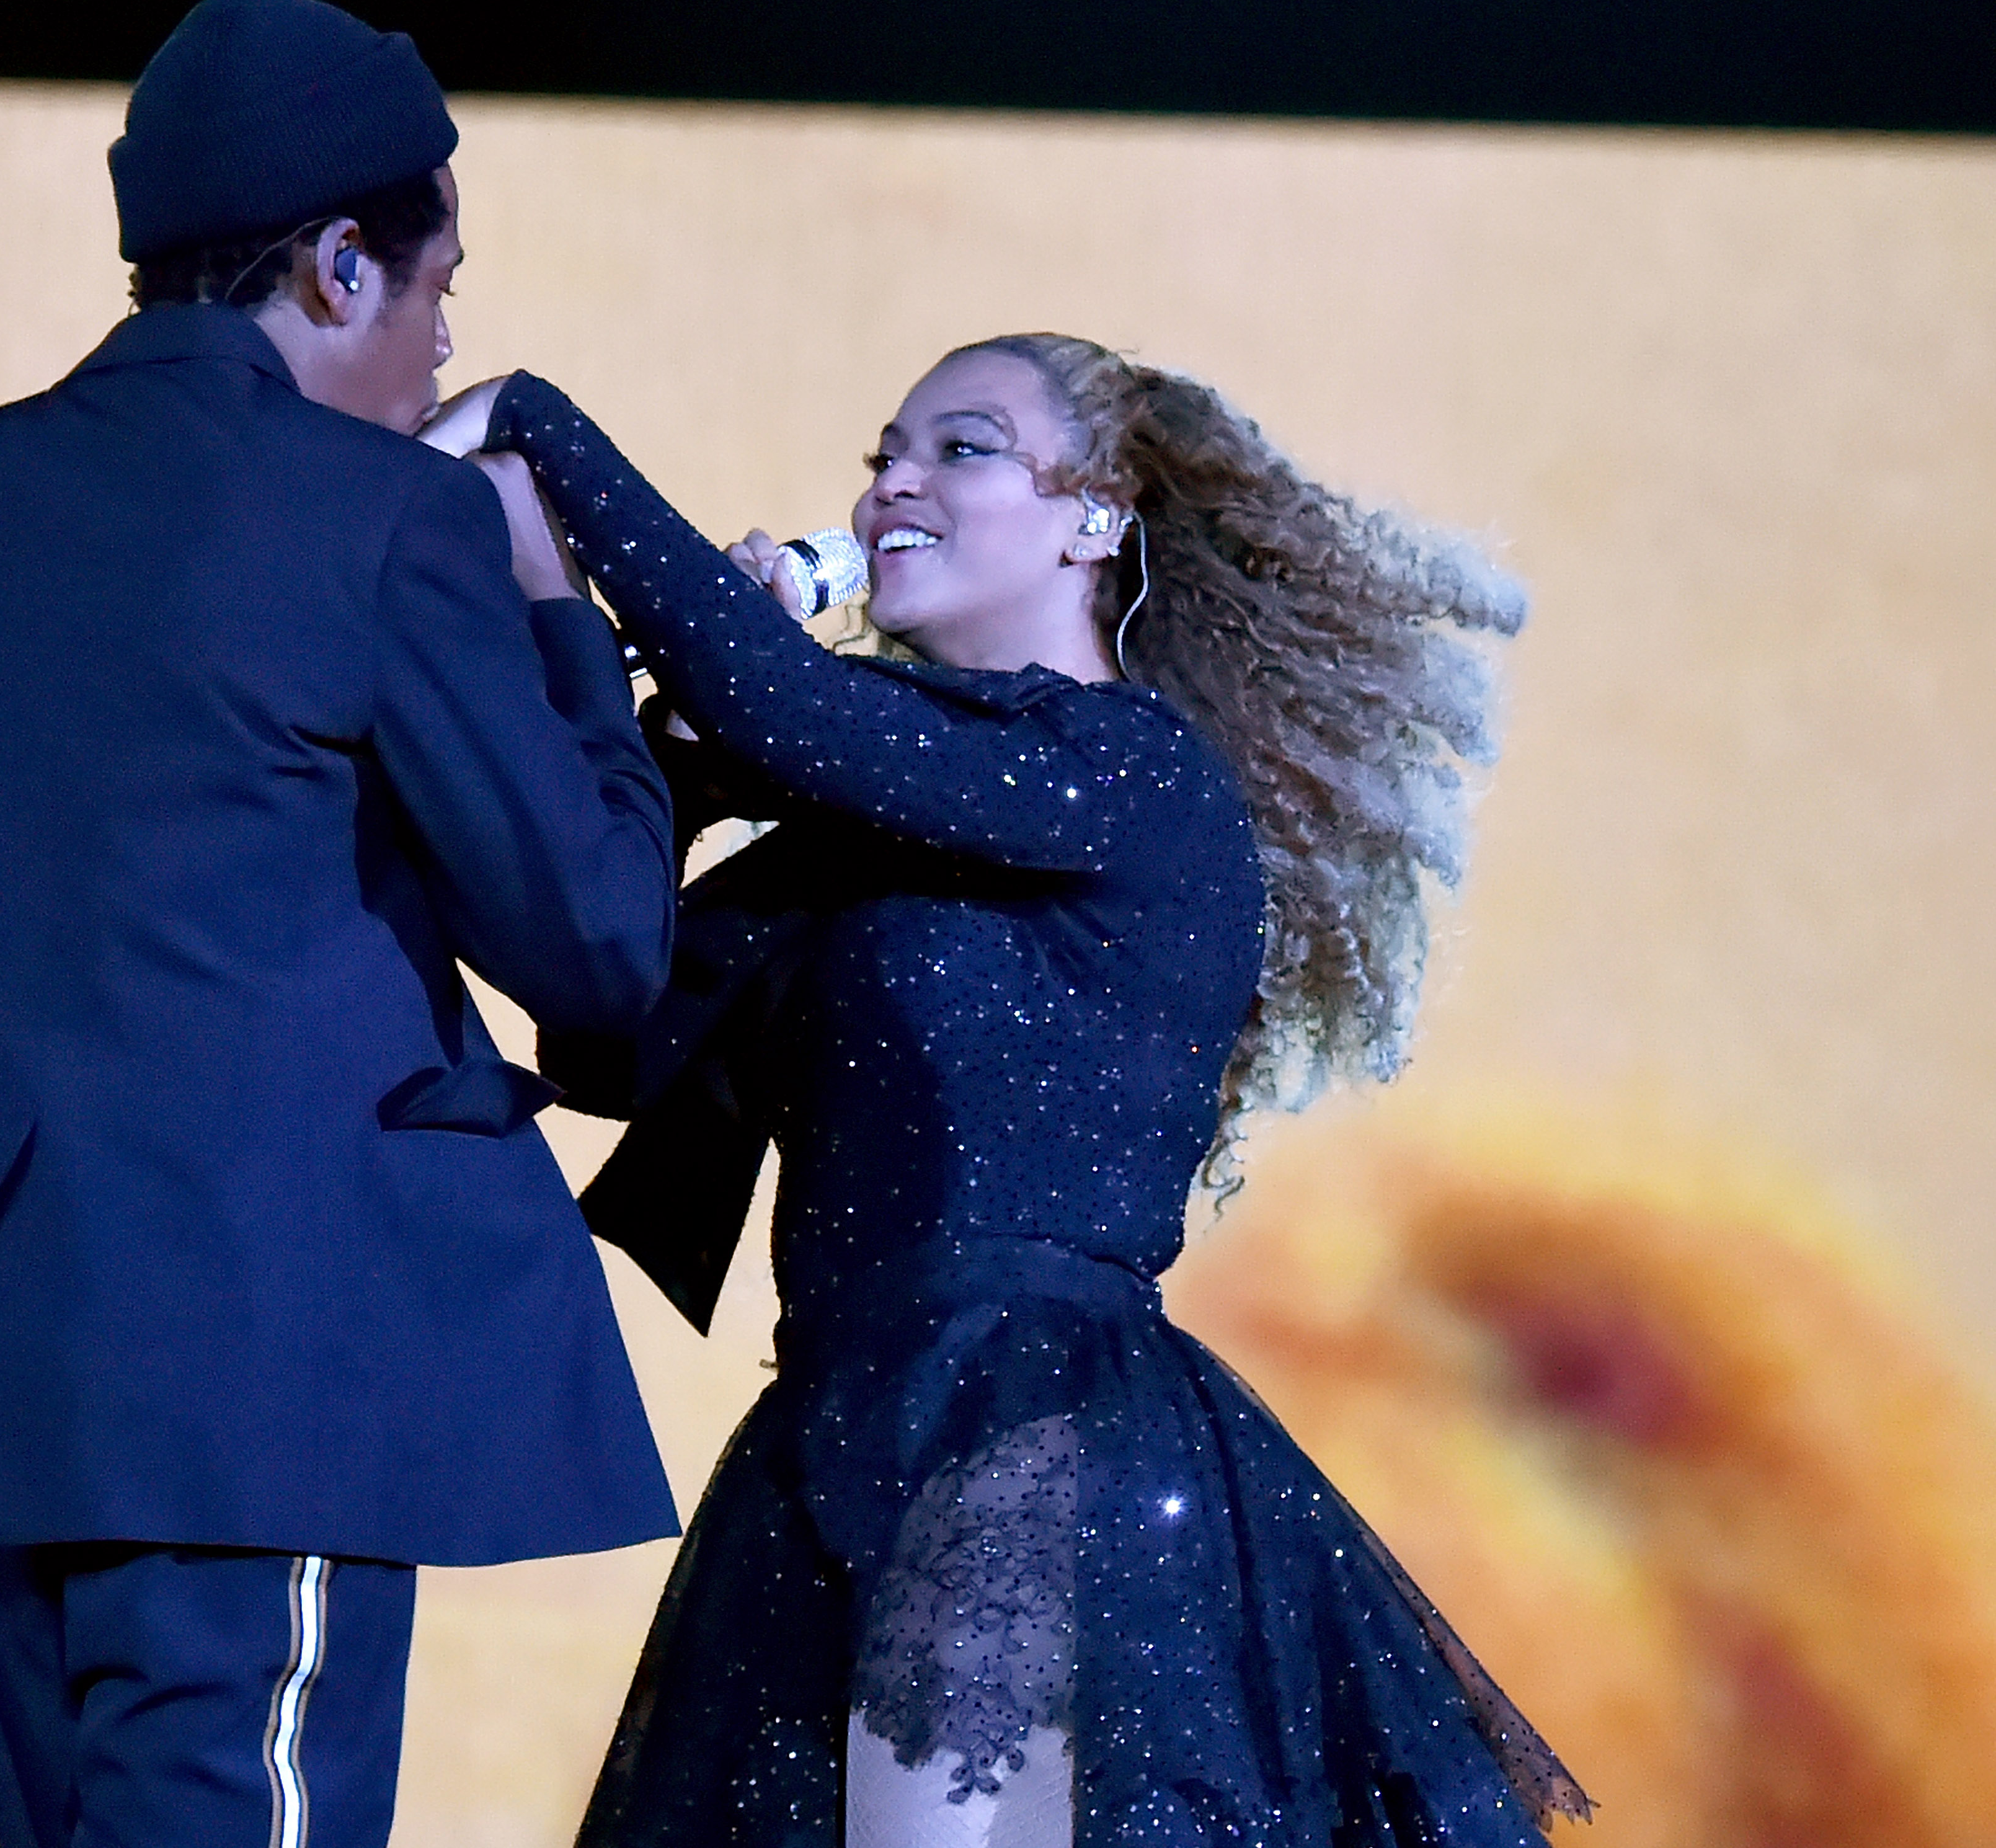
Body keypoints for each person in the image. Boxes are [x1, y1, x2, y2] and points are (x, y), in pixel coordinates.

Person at [0, 0, 681, 1848]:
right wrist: (557, 615)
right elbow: (597, 948)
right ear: (337, 267)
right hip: (265, 1386)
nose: (444, 344)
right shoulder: (387, 520)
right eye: (433, 287)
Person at [423, 342, 1592, 1845]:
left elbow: (785, 706)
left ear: (1093, 519)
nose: (890, 481)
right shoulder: (862, 835)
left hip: (1022, 1430)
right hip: (838, 1437)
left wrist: (535, 423)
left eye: (960, 449)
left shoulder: (1131, 776)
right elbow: (613, 1038)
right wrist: (664, 749)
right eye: (881, 451)